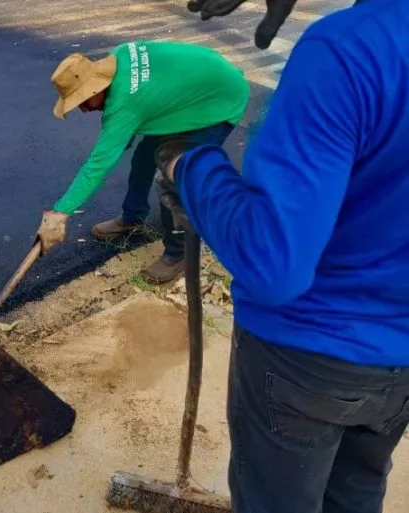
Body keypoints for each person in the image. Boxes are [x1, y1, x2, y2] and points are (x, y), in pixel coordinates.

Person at [159, 0, 409, 511]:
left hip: (306, 354)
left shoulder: (350, 50)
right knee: (357, 489)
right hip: (399, 362)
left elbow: (276, 263)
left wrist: (189, 168)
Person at [36, 41, 249, 283]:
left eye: (82, 101)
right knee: (143, 157)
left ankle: (179, 253)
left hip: (218, 102)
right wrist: (121, 139)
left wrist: (61, 212)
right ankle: (133, 217)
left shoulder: (125, 103)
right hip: (190, 92)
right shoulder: (117, 56)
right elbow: (145, 103)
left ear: (96, 88)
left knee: (174, 179)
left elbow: (98, 165)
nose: (82, 109)